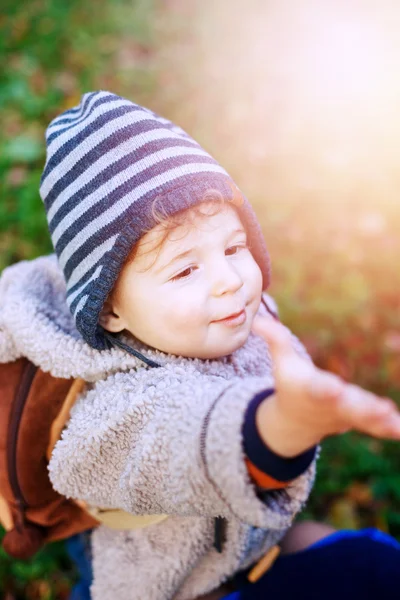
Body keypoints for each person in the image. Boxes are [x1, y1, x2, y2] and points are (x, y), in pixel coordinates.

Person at [1, 91, 399, 600]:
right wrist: (278, 426)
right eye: (186, 269)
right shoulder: (112, 412)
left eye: (234, 247)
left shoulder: (224, 317)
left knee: (374, 564)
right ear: (111, 311)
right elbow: (175, 436)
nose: (229, 279)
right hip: (173, 583)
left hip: (250, 541)